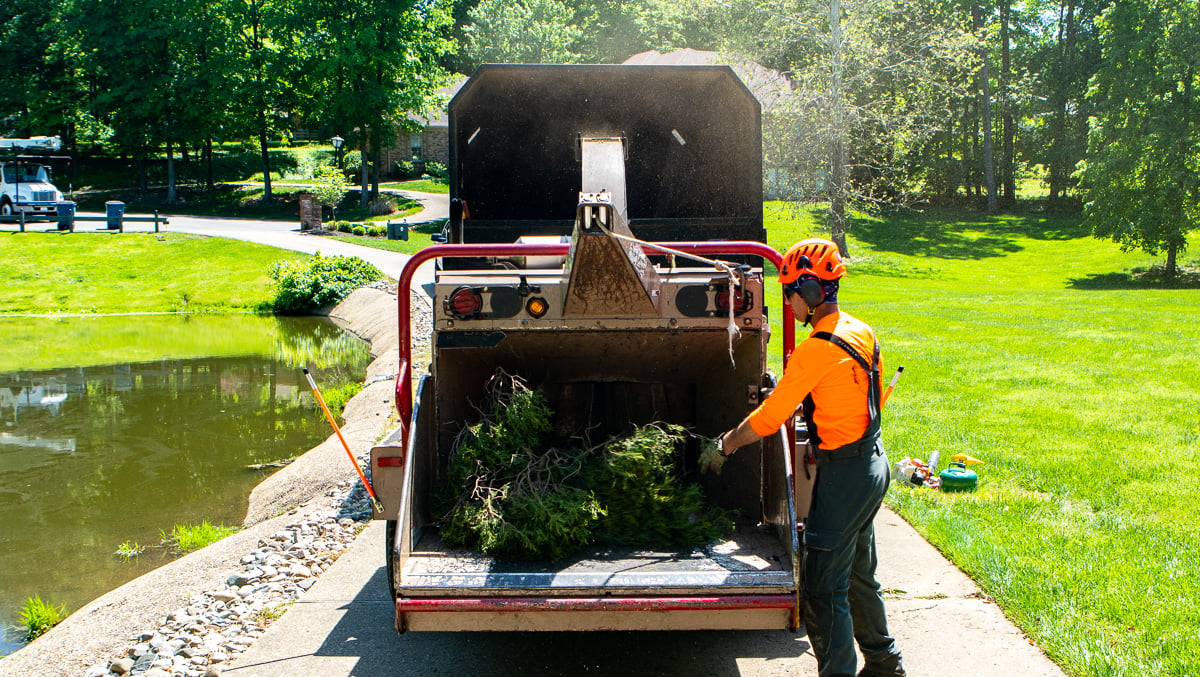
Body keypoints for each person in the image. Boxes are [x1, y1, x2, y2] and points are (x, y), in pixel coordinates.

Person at [715, 237, 905, 677]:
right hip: (873, 464)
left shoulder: (815, 350)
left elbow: (768, 420)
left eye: (790, 292)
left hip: (845, 478)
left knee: (822, 590)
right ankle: (885, 664)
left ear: (812, 290)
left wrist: (726, 443)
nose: (788, 302)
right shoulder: (860, 331)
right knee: (859, 576)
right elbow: (857, 394)